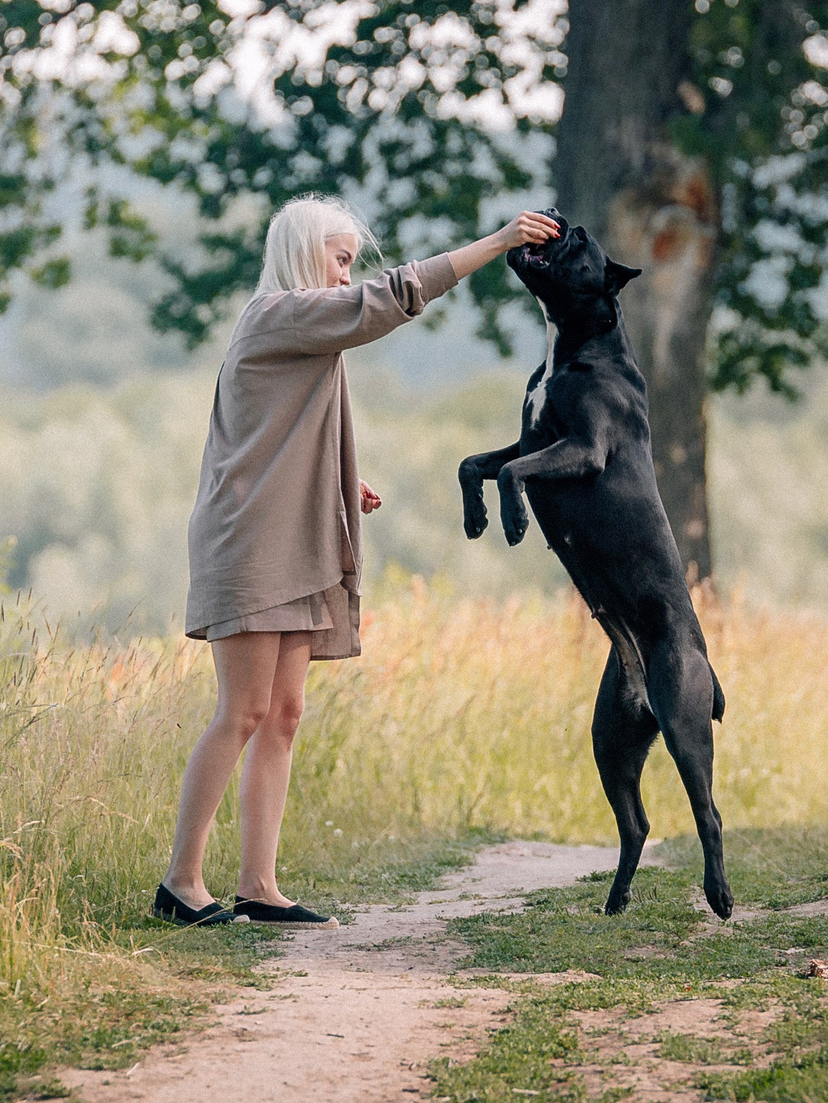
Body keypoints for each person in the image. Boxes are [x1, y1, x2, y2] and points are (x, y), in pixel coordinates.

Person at [157, 198, 564, 926]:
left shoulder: (301, 330)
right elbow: (395, 295)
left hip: (290, 539)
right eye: (340, 259)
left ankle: (258, 886)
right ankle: (180, 884)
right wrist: (499, 241)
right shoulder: (280, 314)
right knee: (243, 711)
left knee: (284, 714)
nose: (348, 275)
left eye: (351, 263)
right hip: (250, 546)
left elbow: (272, 433)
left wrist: (344, 479)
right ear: (303, 253)